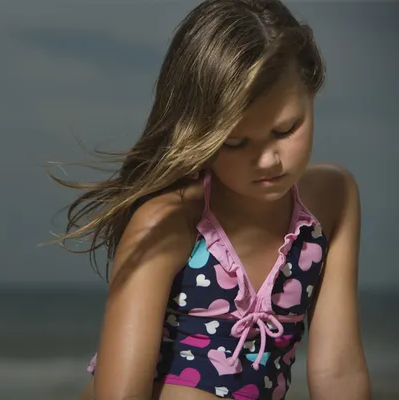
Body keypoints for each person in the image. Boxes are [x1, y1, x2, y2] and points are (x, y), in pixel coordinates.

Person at [48, 0, 371, 399]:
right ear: (198, 132)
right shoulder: (167, 221)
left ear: (311, 87)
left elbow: (338, 372)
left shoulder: (333, 200)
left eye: (286, 128)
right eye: (235, 142)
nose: (268, 159)